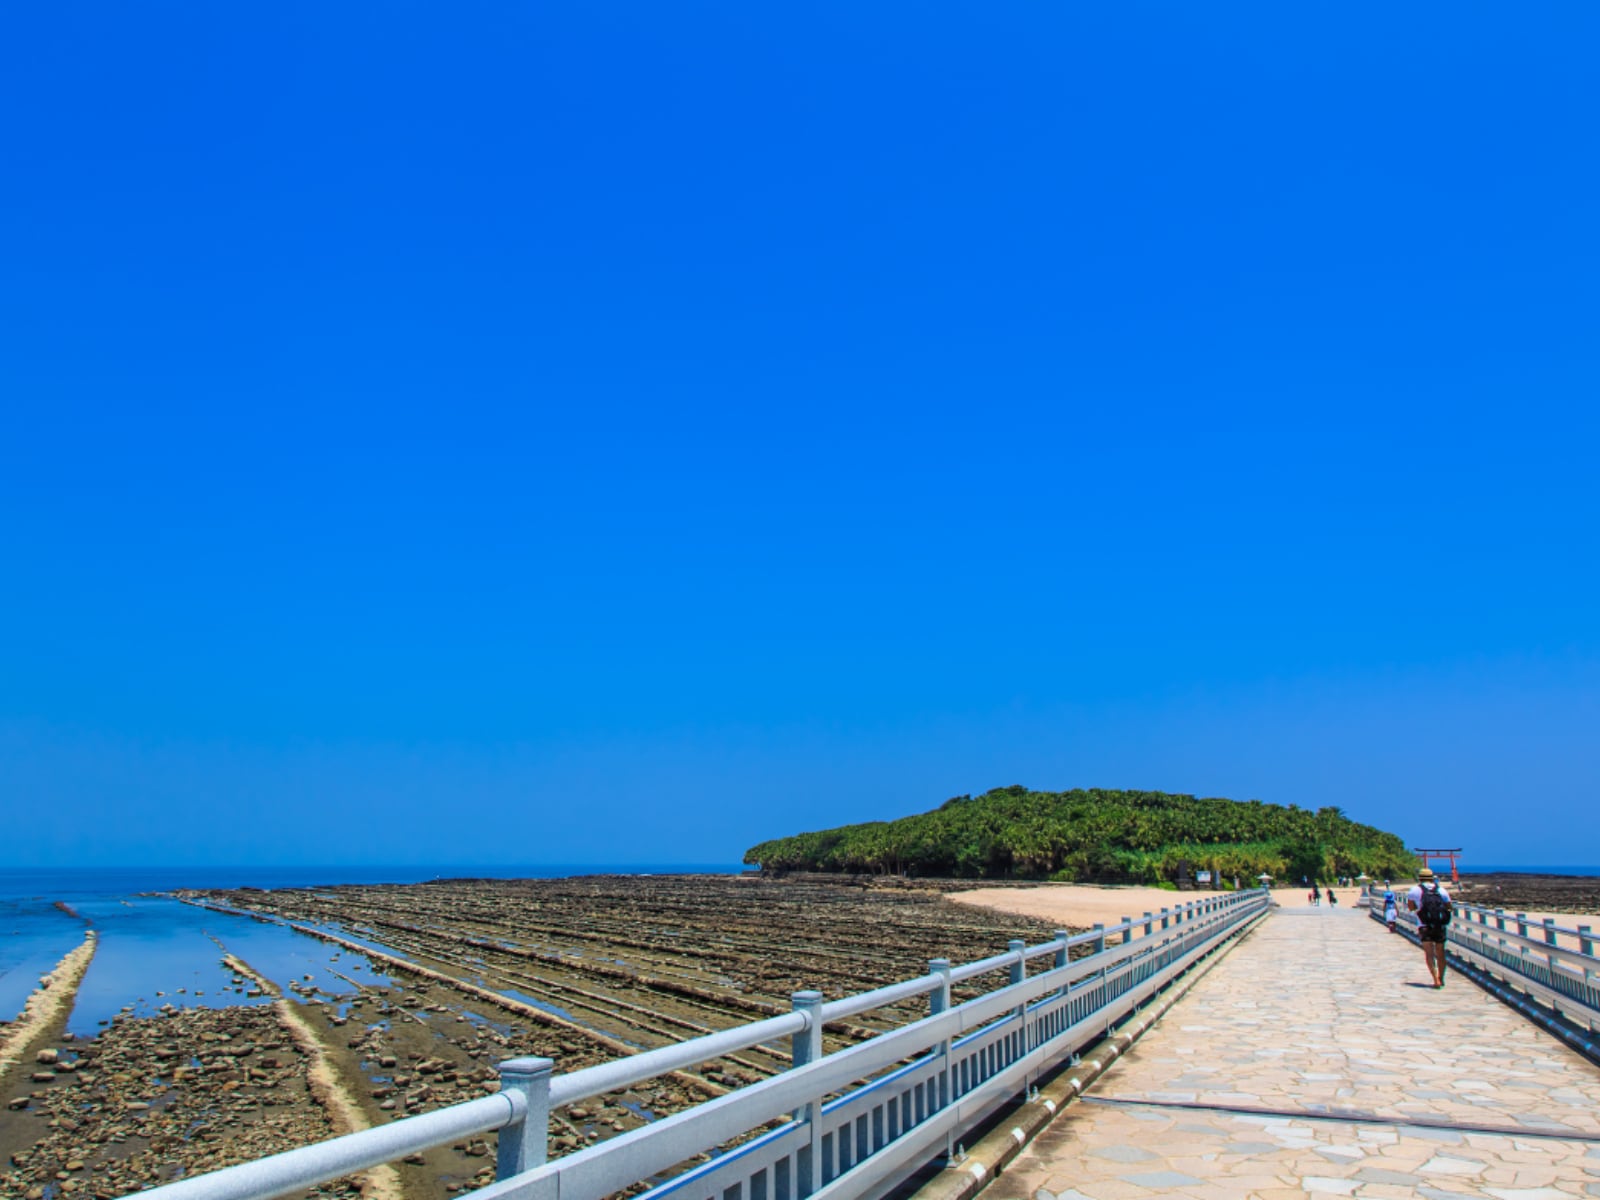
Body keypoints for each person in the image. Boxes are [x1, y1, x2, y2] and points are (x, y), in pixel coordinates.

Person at [1406, 867, 1453, 987]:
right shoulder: (1441, 890)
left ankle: (1435, 979)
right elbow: (1449, 907)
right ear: (1432, 878)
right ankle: (1441, 978)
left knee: (1429, 953)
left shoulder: (1414, 890)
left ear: (1420, 878)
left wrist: (1421, 911)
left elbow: (1411, 907)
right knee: (1440, 952)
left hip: (1424, 925)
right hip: (1439, 925)